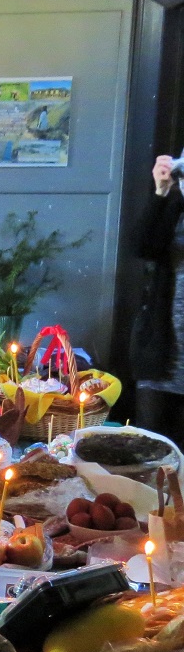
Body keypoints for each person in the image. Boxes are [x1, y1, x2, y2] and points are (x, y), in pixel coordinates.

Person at [132, 153, 184, 446]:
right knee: (149, 447)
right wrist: (161, 192)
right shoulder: (174, 206)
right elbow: (142, 246)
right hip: (162, 348)